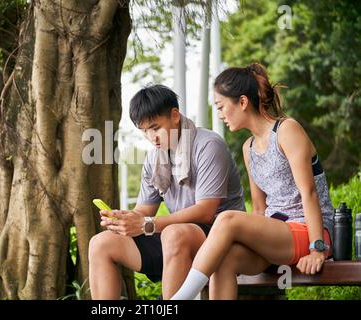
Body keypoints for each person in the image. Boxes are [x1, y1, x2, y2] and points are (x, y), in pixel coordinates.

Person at [170, 63, 335, 300]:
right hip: (276, 236)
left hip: (308, 232)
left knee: (226, 218)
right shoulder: (249, 148)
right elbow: (259, 209)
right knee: (224, 259)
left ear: (243, 102)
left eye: (221, 106)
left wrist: (317, 248)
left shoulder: (287, 130)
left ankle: (178, 300)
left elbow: (309, 193)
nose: (220, 114)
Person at [88, 84, 246, 299]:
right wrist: (125, 219)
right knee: (101, 243)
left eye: (155, 128)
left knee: (174, 234)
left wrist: (147, 224)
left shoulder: (209, 145)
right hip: (178, 239)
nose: (151, 137)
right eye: (144, 131)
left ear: (174, 115)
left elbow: (206, 212)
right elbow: (144, 208)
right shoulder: (154, 158)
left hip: (221, 237)